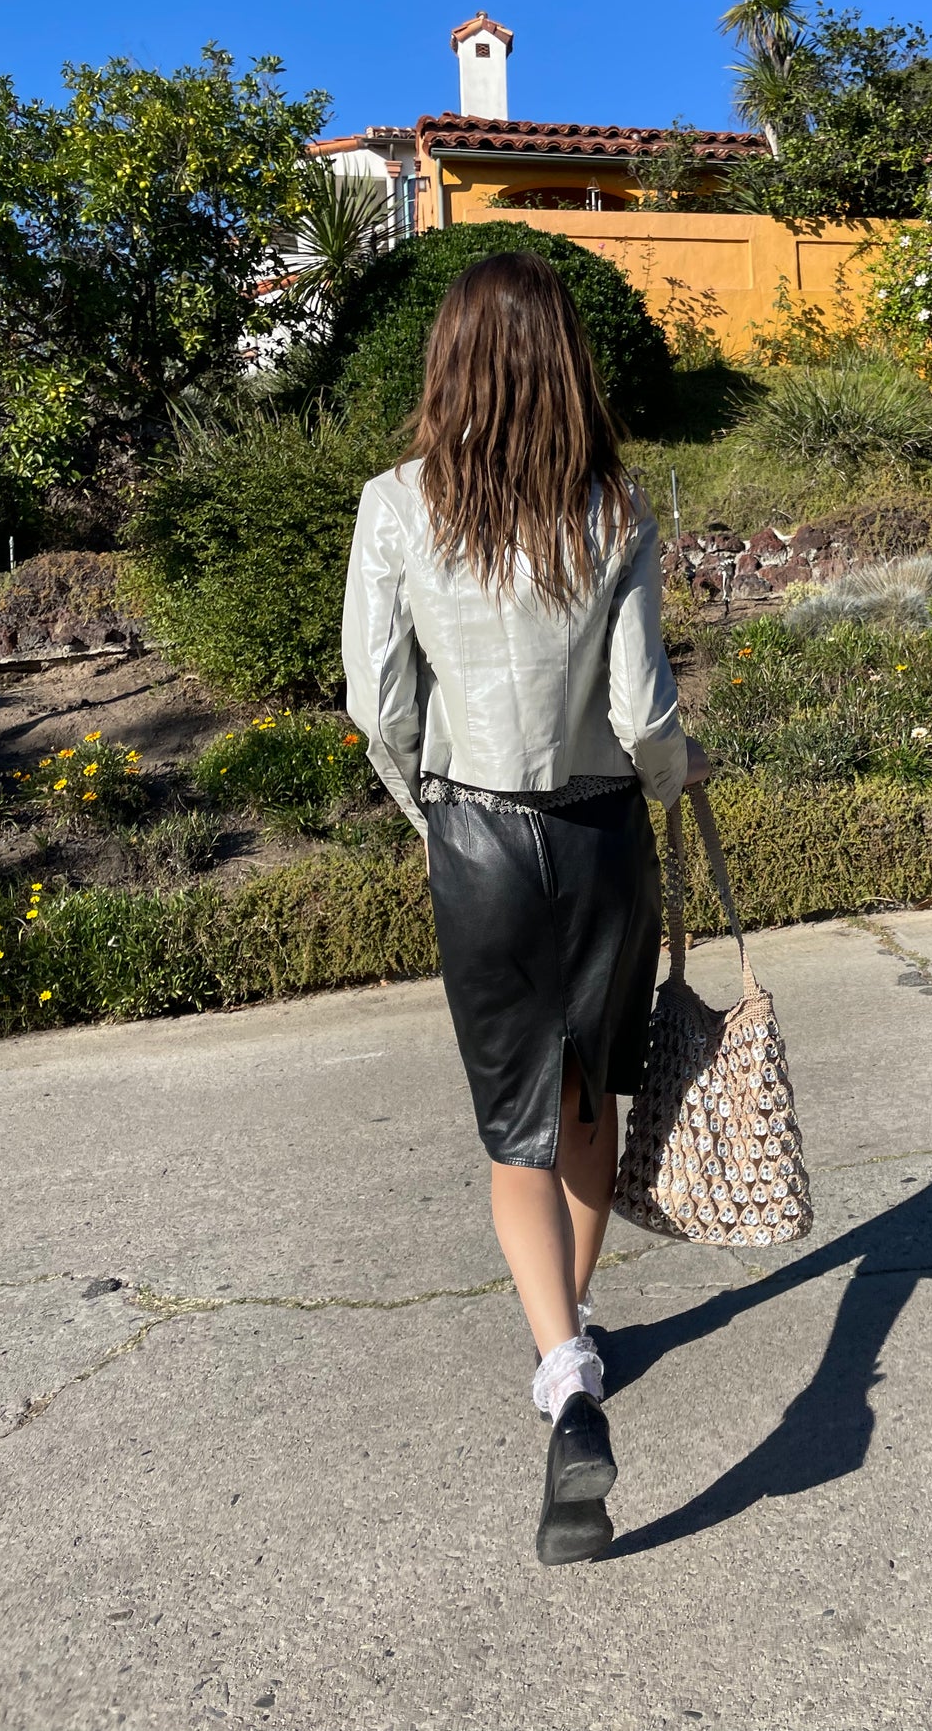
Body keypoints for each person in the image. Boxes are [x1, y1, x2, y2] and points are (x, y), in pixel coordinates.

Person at [342, 250, 708, 1566]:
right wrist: (677, 774)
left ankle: (563, 1370)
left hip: (477, 837)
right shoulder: (610, 509)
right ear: (568, 364)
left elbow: (376, 705)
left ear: (446, 364)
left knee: (512, 1125)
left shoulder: (395, 508)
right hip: (600, 836)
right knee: (583, 1104)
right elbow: (641, 713)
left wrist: (431, 813)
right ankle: (575, 1341)